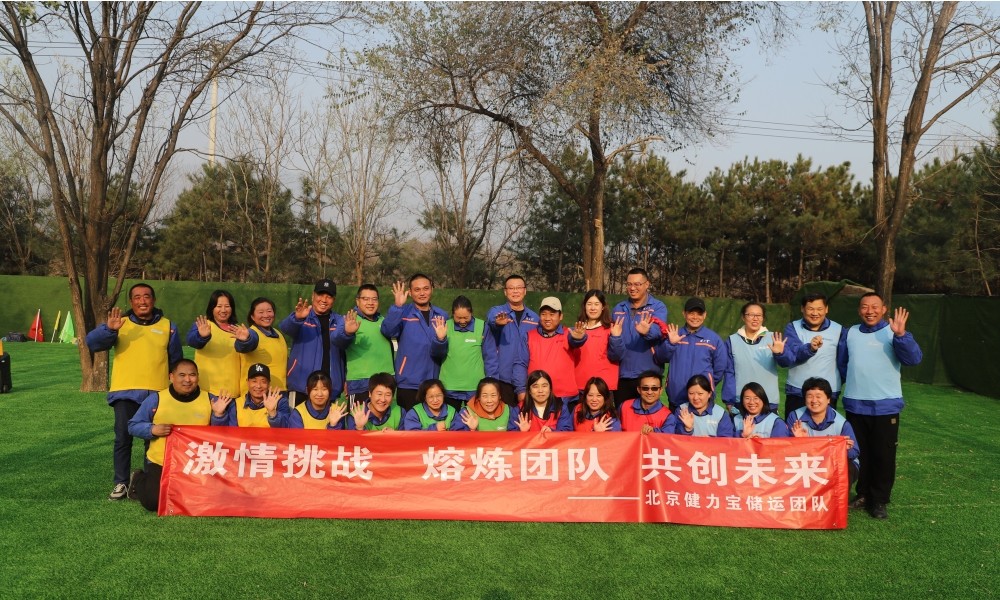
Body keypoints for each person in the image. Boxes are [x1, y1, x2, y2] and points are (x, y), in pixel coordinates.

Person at [85, 282, 183, 501]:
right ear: (131, 302)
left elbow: (176, 361)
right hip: (125, 392)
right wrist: (109, 329)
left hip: (157, 394)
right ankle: (121, 483)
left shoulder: (168, 326)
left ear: (153, 300)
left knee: (154, 439)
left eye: (146, 296)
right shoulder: (120, 323)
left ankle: (149, 483)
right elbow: (92, 343)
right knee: (123, 438)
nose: (142, 301)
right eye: (137, 297)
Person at [837, 293, 922, 520]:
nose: (870, 311)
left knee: (883, 456)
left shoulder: (893, 332)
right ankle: (863, 494)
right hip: (855, 405)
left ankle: (879, 500)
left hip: (886, 407)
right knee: (860, 454)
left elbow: (913, 359)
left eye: (875, 307)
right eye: (865, 307)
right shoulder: (850, 333)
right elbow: (843, 364)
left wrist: (901, 335)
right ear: (859, 310)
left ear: (884, 309)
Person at [125, 359, 231, 512]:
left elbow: (222, 435)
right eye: (182, 375)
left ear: (198, 377)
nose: (187, 380)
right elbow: (133, 425)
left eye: (192, 375)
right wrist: (152, 429)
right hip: (162, 462)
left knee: (211, 499)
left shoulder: (210, 400)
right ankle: (139, 478)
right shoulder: (156, 399)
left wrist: (219, 415)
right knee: (152, 502)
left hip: (198, 464)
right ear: (171, 377)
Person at [381, 274, 449, 412]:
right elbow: (388, 331)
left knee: (432, 423)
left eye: (426, 288)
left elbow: (441, 352)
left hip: (433, 383)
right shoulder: (403, 312)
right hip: (408, 382)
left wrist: (441, 340)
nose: (422, 293)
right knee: (408, 423)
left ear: (432, 289)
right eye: (417, 290)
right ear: (410, 292)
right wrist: (397, 307)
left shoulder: (441, 315)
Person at [280, 279, 348, 405]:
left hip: (329, 389)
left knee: (331, 419)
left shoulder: (340, 321)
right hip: (301, 387)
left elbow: (345, 346)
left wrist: (348, 333)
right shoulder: (302, 316)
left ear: (334, 300)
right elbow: (285, 328)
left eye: (329, 296)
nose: (324, 300)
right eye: (320, 295)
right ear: (313, 296)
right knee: (296, 418)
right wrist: (297, 318)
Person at [654, 297, 728, 412]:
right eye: (691, 313)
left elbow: (720, 369)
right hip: (676, 397)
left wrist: (706, 385)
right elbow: (660, 357)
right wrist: (671, 344)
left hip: (702, 401)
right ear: (684, 314)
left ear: (705, 315)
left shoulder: (714, 339)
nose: (695, 317)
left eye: (699, 314)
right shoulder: (675, 335)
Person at [611, 267, 668, 406]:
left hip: (648, 375)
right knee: (623, 415)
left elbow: (659, 331)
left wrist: (647, 331)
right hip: (623, 375)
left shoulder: (658, 307)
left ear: (647, 284)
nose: (632, 288)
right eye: (629, 284)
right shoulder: (618, 308)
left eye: (637, 284)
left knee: (648, 416)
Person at [782, 293, 844, 418]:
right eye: (810, 309)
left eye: (819, 309)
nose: (815, 313)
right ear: (802, 309)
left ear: (826, 309)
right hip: (797, 391)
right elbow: (794, 352)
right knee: (794, 428)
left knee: (825, 429)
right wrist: (810, 348)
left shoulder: (839, 330)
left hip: (828, 393)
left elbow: (843, 361)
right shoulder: (792, 327)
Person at [787, 377, 859, 484]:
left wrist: (843, 449)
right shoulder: (795, 417)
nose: (814, 400)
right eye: (809, 396)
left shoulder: (841, 423)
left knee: (846, 469)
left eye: (818, 396)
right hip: (806, 460)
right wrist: (799, 442)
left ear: (828, 399)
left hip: (834, 461)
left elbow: (854, 452)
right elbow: (786, 449)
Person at [482, 274, 539, 405]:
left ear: (525, 291)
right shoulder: (498, 312)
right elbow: (491, 319)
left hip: (526, 379)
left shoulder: (534, 318)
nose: (515, 291)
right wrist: (497, 322)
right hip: (502, 378)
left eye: (519, 288)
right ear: (505, 292)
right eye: (511, 288)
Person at [723, 302, 790, 413]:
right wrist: (729, 401)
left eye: (759, 315)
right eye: (751, 315)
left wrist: (780, 353)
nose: (755, 319)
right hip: (741, 401)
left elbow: (786, 363)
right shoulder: (732, 341)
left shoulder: (773, 338)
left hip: (768, 401)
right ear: (743, 317)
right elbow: (729, 372)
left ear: (763, 318)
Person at [524, 296, 587, 409]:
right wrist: (520, 390)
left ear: (561, 316)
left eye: (552, 314)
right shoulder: (529, 336)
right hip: (537, 397)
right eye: (543, 314)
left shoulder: (569, 333)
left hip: (565, 398)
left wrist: (578, 338)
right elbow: (520, 363)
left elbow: (576, 341)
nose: (547, 318)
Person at [341, 284, 394, 404]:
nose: (370, 303)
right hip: (360, 384)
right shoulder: (349, 320)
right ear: (357, 301)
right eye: (366, 299)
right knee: (358, 416)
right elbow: (338, 342)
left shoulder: (383, 320)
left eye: (374, 299)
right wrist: (347, 333)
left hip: (385, 383)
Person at [185, 290, 241, 396]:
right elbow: (192, 341)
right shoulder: (203, 326)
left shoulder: (238, 330)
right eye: (219, 306)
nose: (223, 310)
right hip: (207, 392)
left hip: (232, 393)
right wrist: (202, 337)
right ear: (212, 308)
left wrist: (246, 340)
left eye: (227, 306)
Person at [571, 289, 624, 395]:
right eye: (589, 304)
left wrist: (616, 338)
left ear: (603, 306)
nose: (593, 308)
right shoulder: (576, 330)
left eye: (596, 304)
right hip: (580, 386)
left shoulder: (611, 329)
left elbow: (617, 356)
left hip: (603, 388)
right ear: (584, 306)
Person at [438, 296, 486, 410]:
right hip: (449, 387)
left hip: (475, 387)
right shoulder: (444, 326)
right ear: (452, 314)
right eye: (458, 318)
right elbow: (436, 354)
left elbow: (490, 357)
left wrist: (491, 381)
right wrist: (440, 340)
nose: (463, 321)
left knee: (474, 419)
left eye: (466, 317)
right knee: (450, 419)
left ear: (472, 313)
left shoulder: (483, 327)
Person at [234, 297, 288, 395]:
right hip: (257, 394)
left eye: (269, 311)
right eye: (261, 312)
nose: (266, 315)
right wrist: (245, 340)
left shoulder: (278, 333)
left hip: (278, 392)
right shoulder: (252, 333)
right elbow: (245, 345)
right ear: (252, 316)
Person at [659, 375, 735, 437]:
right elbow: (674, 438)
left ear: (709, 394)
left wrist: (710, 441)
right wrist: (687, 429)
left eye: (700, 394)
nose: (695, 398)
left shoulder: (720, 414)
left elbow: (726, 441)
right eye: (691, 393)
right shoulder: (681, 410)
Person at [217, 363, 290, 428]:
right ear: (248, 382)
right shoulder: (236, 404)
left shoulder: (280, 402)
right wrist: (218, 415)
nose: (258, 386)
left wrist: (272, 413)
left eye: (263, 382)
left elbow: (287, 429)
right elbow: (227, 433)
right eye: (254, 381)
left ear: (268, 384)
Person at [453, 377, 521, 431]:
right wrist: (472, 430)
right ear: (478, 397)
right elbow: (458, 439)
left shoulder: (510, 411)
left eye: (493, 395)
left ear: (499, 396)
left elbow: (514, 439)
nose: (489, 400)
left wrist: (523, 432)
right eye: (484, 396)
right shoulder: (466, 413)